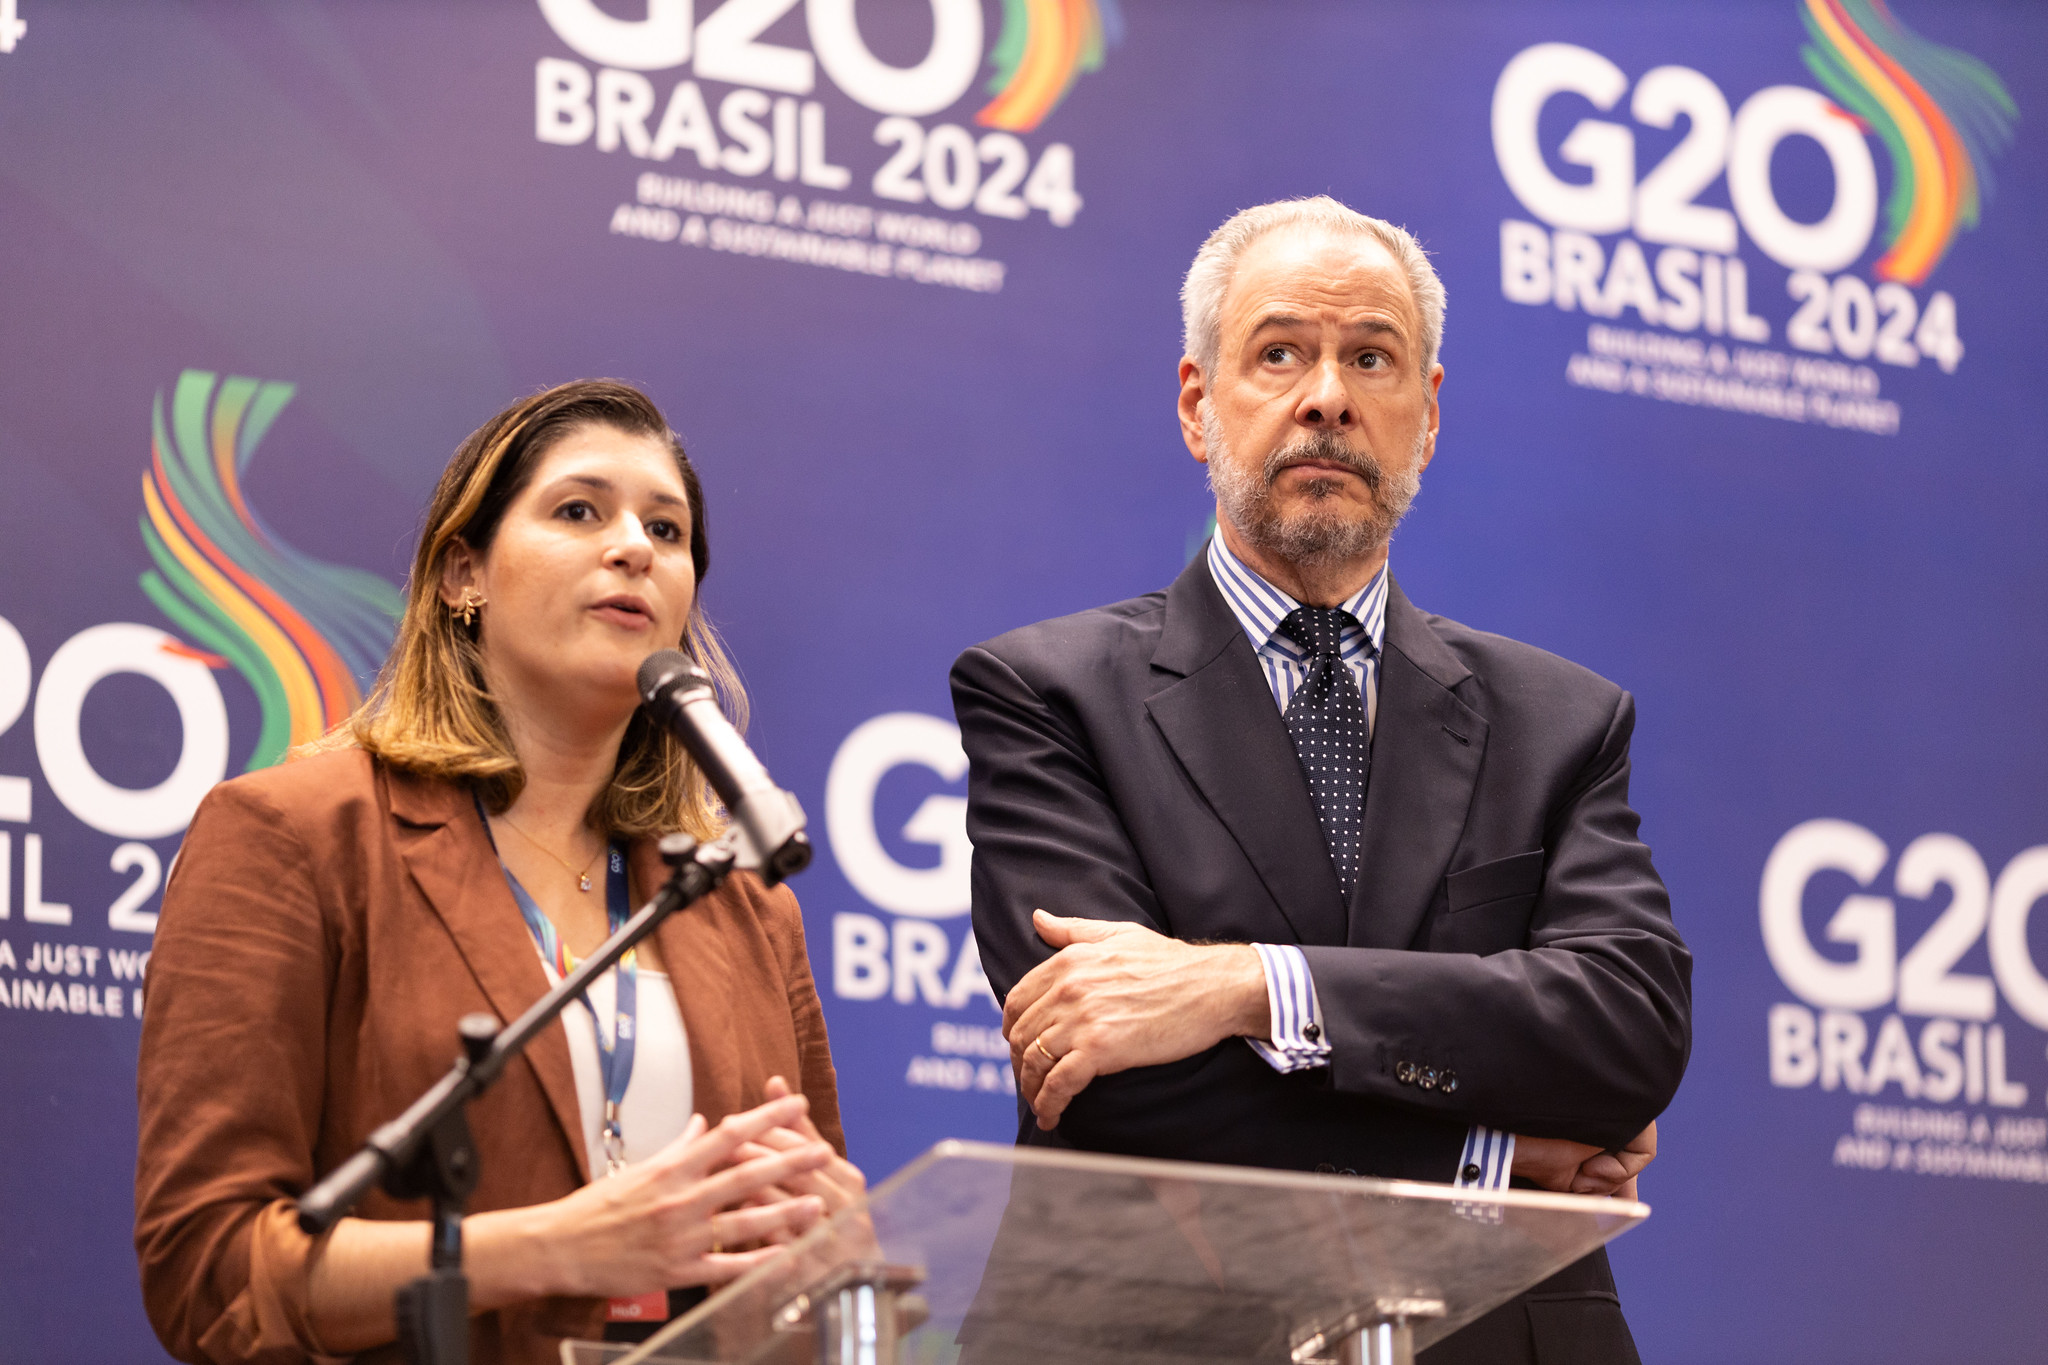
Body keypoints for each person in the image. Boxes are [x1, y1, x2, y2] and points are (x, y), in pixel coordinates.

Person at [951, 199, 1690, 1364]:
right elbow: (1110, 1083)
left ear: (1427, 416)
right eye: (1280, 351)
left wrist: (1249, 988)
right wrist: (1490, 1159)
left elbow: (1624, 1038)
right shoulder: (1046, 694)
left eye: (1369, 357)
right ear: (1199, 406)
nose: (1328, 396)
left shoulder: (1560, 720)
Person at [135, 380, 864, 1365]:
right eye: (578, 511)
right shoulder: (292, 837)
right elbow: (210, 1274)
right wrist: (559, 1248)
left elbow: (805, 1266)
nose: (632, 547)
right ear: (461, 576)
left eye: (666, 528)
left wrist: (839, 1245)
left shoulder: (743, 906)